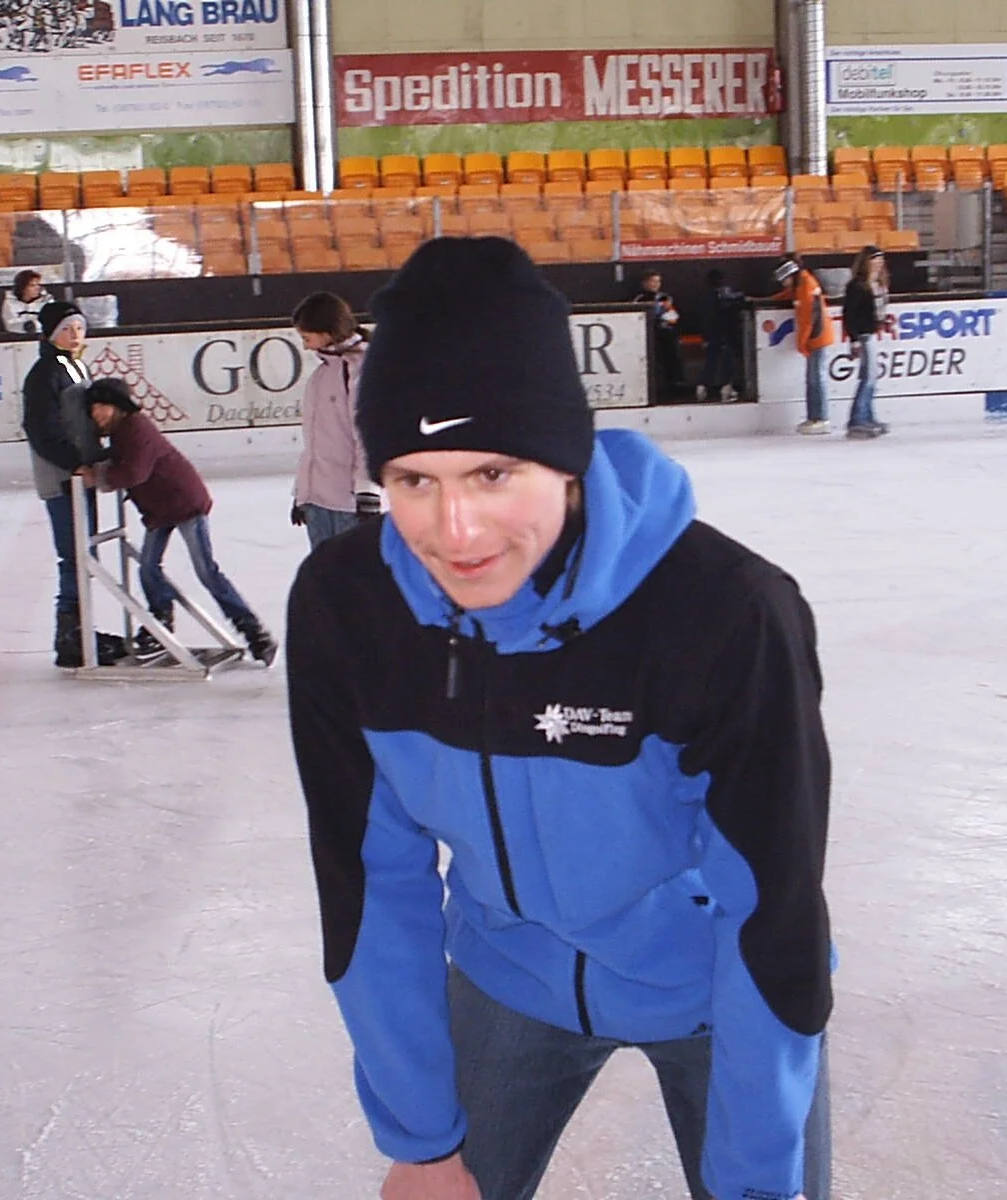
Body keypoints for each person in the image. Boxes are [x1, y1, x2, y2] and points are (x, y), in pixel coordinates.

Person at [286, 237, 833, 1200]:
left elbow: (771, 909)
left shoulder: (723, 612)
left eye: (493, 474)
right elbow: (372, 881)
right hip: (506, 975)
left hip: (714, 983)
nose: (455, 534)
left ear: (567, 460)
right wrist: (421, 1142)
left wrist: (757, 1182)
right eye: (415, 480)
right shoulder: (350, 609)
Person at [82, 377, 277, 666]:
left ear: (118, 406)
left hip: (184, 504)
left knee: (206, 571)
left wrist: (97, 477)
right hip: (161, 508)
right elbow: (124, 463)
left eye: (102, 407)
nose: (97, 414)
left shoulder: (136, 428)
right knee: (148, 568)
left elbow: (135, 472)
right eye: (93, 409)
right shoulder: (123, 431)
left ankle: (254, 631)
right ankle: (160, 623)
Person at [21, 300, 128, 668]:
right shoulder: (44, 374)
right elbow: (41, 429)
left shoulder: (75, 365)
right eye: (67, 329)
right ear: (52, 334)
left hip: (81, 476)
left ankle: (81, 630)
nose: (76, 334)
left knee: (86, 555)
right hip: (63, 477)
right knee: (74, 556)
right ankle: (69, 637)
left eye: (79, 327)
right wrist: (74, 462)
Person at [290, 291, 379, 550]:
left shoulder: (360, 369)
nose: (305, 345)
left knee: (356, 583)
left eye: (307, 337)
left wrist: (368, 490)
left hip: (350, 503)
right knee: (323, 584)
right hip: (318, 503)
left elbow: (367, 434)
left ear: (327, 331)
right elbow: (314, 442)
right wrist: (302, 493)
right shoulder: (321, 375)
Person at [771, 255, 837, 434]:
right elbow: (789, 295)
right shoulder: (800, 285)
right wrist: (771, 299)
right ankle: (813, 417)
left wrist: (802, 343)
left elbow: (809, 318)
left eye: (784, 279)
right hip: (814, 337)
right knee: (812, 379)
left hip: (818, 337)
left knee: (817, 378)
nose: (783, 283)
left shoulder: (807, 286)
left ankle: (821, 418)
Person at [840, 246, 890, 440]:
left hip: (871, 333)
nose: (878, 263)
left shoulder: (877, 284)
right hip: (863, 334)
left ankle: (867, 416)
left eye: (880, 259)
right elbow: (849, 314)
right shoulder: (856, 286)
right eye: (874, 259)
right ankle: (858, 419)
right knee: (868, 378)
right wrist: (853, 340)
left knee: (871, 378)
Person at [697, 268, 745, 402]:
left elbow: (703, 318)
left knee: (711, 361)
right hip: (725, 333)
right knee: (727, 361)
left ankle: (702, 386)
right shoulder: (725, 295)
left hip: (711, 333)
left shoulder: (704, 296)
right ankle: (726, 388)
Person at [633, 269, 684, 395]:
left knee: (672, 349)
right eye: (652, 281)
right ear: (644, 283)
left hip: (665, 334)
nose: (655, 284)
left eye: (658, 281)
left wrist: (666, 318)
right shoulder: (639, 298)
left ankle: (675, 383)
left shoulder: (664, 297)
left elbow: (673, 316)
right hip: (647, 335)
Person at [2, 269, 54, 335]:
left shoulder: (48, 301)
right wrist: (26, 327)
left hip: (43, 337)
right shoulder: (9, 302)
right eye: (32, 285)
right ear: (22, 288)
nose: (37, 288)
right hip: (18, 339)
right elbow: (10, 324)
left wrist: (35, 326)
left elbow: (51, 321)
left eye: (38, 284)